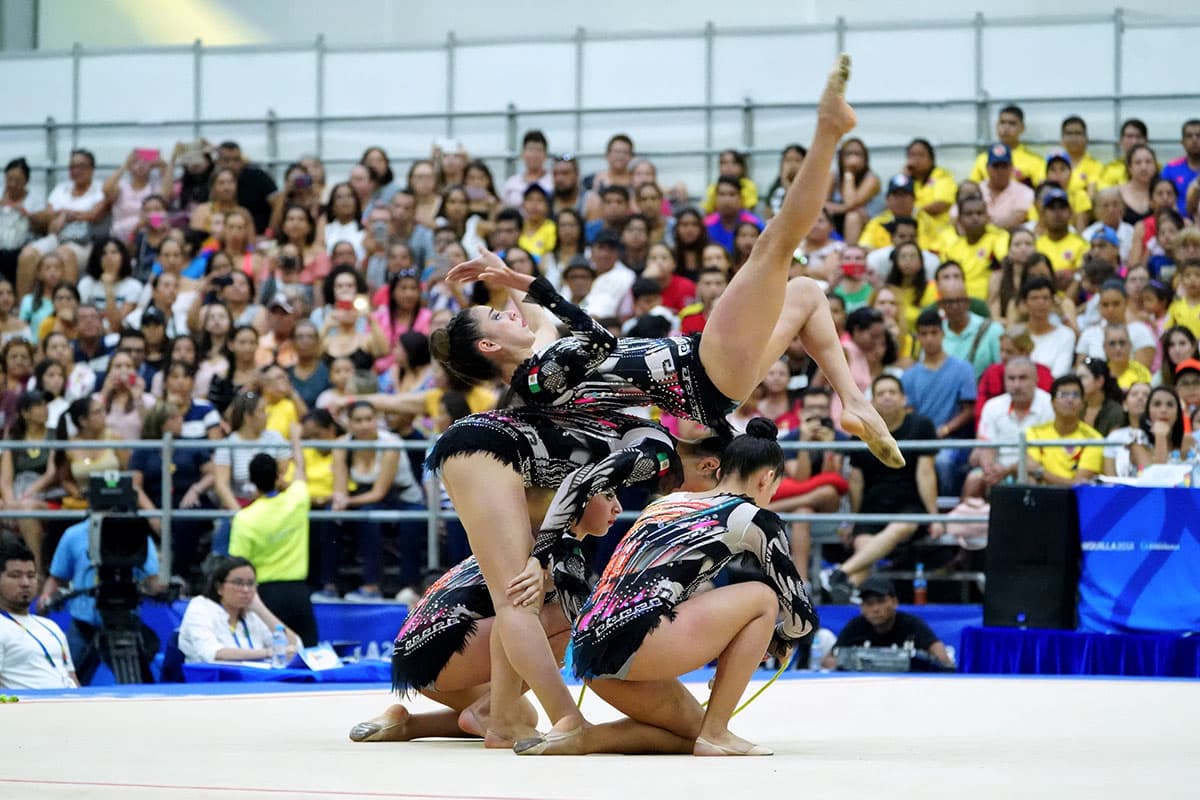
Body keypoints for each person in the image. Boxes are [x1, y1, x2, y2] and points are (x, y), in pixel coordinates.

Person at [512, 419, 816, 757]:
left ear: (720, 469)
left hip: (589, 655)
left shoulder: (663, 503)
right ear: (767, 477)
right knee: (763, 597)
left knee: (689, 734)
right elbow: (801, 617)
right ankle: (717, 733)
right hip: (640, 644)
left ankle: (587, 738)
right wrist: (780, 639)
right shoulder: (753, 517)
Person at [348, 490, 626, 744]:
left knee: (523, 716)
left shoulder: (530, 535)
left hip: (414, 660)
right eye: (608, 496)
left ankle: (406, 724)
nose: (618, 508)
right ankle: (485, 712)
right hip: (445, 652)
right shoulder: (553, 547)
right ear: (578, 499)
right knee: (574, 617)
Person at [823, 375, 939, 603]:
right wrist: (856, 519)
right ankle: (847, 588)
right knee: (865, 547)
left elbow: (926, 474)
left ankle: (839, 574)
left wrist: (934, 516)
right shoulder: (862, 430)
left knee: (899, 528)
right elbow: (856, 481)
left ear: (903, 398)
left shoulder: (920, 425)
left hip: (909, 503)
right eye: (881, 393)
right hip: (873, 503)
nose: (887, 397)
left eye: (892, 392)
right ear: (873, 401)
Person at [37, 515, 162, 685]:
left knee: (141, 690)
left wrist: (161, 588)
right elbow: (57, 577)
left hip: (125, 621)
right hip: (83, 624)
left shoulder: (137, 533)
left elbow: (153, 580)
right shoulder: (74, 534)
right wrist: (46, 598)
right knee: (64, 683)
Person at [327, 401, 425, 602]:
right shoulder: (341, 445)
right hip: (364, 497)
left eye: (369, 419)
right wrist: (338, 502)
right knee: (328, 516)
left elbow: (379, 492)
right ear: (350, 423)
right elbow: (340, 488)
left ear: (376, 421)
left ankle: (401, 586)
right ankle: (328, 585)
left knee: (377, 514)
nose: (364, 425)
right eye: (358, 420)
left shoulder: (391, 443)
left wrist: (347, 501)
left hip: (402, 497)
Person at [228, 423, 317, 646]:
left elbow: (238, 564)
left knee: (270, 659)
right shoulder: (297, 499)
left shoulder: (244, 518)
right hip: (298, 593)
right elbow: (300, 471)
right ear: (278, 476)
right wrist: (295, 438)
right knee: (309, 655)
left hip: (264, 597)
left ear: (251, 482)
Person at [177, 556, 302, 663]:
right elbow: (215, 654)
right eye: (238, 583)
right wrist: (269, 653)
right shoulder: (201, 607)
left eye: (250, 583)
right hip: (212, 682)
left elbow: (296, 647)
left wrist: (261, 609)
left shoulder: (252, 613)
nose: (246, 590)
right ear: (219, 587)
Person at [903, 309, 977, 491]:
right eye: (924, 334)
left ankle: (946, 511)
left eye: (934, 333)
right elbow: (909, 411)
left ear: (943, 333)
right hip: (919, 440)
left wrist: (945, 430)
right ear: (917, 337)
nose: (929, 339)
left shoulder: (963, 369)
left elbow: (969, 410)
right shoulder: (909, 376)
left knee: (943, 463)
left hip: (952, 440)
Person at [820, 575, 953, 670]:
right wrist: (851, 663)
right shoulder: (855, 626)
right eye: (869, 604)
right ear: (862, 608)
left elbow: (944, 660)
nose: (876, 609)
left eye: (881, 601)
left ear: (895, 602)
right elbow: (828, 661)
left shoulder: (911, 624)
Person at [966, 357, 1054, 497]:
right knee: (974, 479)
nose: (1016, 385)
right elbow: (987, 446)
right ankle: (972, 517)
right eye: (1011, 379)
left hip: (1034, 468)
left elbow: (1043, 454)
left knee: (1030, 480)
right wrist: (990, 468)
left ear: (1036, 379)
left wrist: (1008, 470)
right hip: (998, 467)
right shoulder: (992, 406)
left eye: (1023, 378)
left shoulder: (1050, 406)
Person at [0, 538, 78, 689]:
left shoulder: (51, 626)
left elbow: (71, 677)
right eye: (15, 575)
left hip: (67, 706)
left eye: (31, 575)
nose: (25, 583)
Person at [1025, 375, 1104, 485]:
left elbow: (1079, 485)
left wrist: (1040, 472)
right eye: (1063, 395)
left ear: (1082, 403)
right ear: (1052, 403)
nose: (1070, 400)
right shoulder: (1035, 433)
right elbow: (1030, 474)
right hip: (1041, 496)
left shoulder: (1094, 439)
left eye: (1075, 395)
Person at [969, 105, 1046, 187]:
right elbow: (972, 191)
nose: (1006, 128)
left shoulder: (1036, 161)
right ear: (997, 126)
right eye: (1002, 122)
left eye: (1012, 123)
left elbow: (1041, 193)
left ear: (1022, 128)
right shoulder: (982, 159)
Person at [1022, 277, 1077, 377]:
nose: (1041, 303)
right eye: (1034, 298)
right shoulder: (1016, 335)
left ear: (1052, 302)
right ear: (1025, 303)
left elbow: (1059, 374)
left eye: (1045, 298)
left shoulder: (1066, 335)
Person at [979, 144, 1035, 230]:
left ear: (1012, 167)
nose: (1000, 171)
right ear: (987, 168)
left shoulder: (1024, 192)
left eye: (1004, 166)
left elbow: (1015, 220)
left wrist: (983, 223)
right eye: (996, 166)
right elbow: (955, 216)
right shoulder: (976, 190)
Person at [500, 130, 553, 208]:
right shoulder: (511, 184)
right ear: (522, 154)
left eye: (538, 150)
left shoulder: (553, 182)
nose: (534, 155)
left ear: (545, 155)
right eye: (530, 149)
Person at [1075, 358, 1126, 436]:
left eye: (1082, 377)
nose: (1077, 382)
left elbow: (1113, 445)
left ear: (1099, 381)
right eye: (1076, 378)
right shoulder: (1076, 408)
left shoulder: (1115, 412)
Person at [1160, 119, 1200, 216]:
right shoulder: (1170, 169)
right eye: (1189, 136)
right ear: (1182, 142)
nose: (1194, 140)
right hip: (1177, 224)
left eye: (1199, 135)